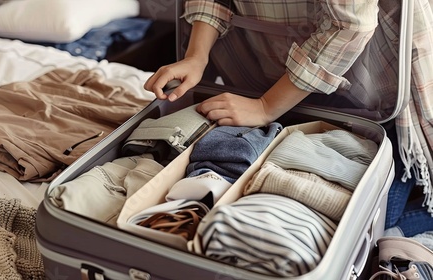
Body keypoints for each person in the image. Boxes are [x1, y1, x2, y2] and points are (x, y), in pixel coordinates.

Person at [144, 0, 433, 237]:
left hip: (370, 77)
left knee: (380, 220)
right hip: (279, 72)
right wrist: (197, 57)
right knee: (366, 221)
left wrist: (266, 107)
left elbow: (351, 25)